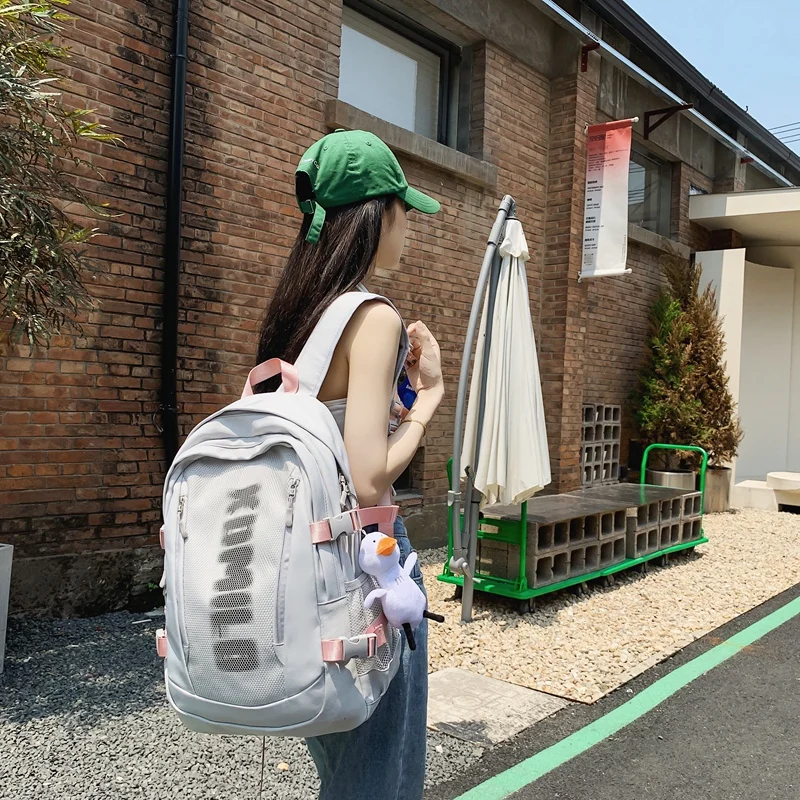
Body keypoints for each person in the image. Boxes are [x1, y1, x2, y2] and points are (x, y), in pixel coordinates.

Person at [254, 129, 444, 800]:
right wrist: (428, 400)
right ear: (376, 214)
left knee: (343, 770)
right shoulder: (373, 316)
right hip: (364, 574)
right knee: (379, 777)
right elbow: (368, 478)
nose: (409, 227)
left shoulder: (296, 313)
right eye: (403, 210)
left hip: (298, 577)